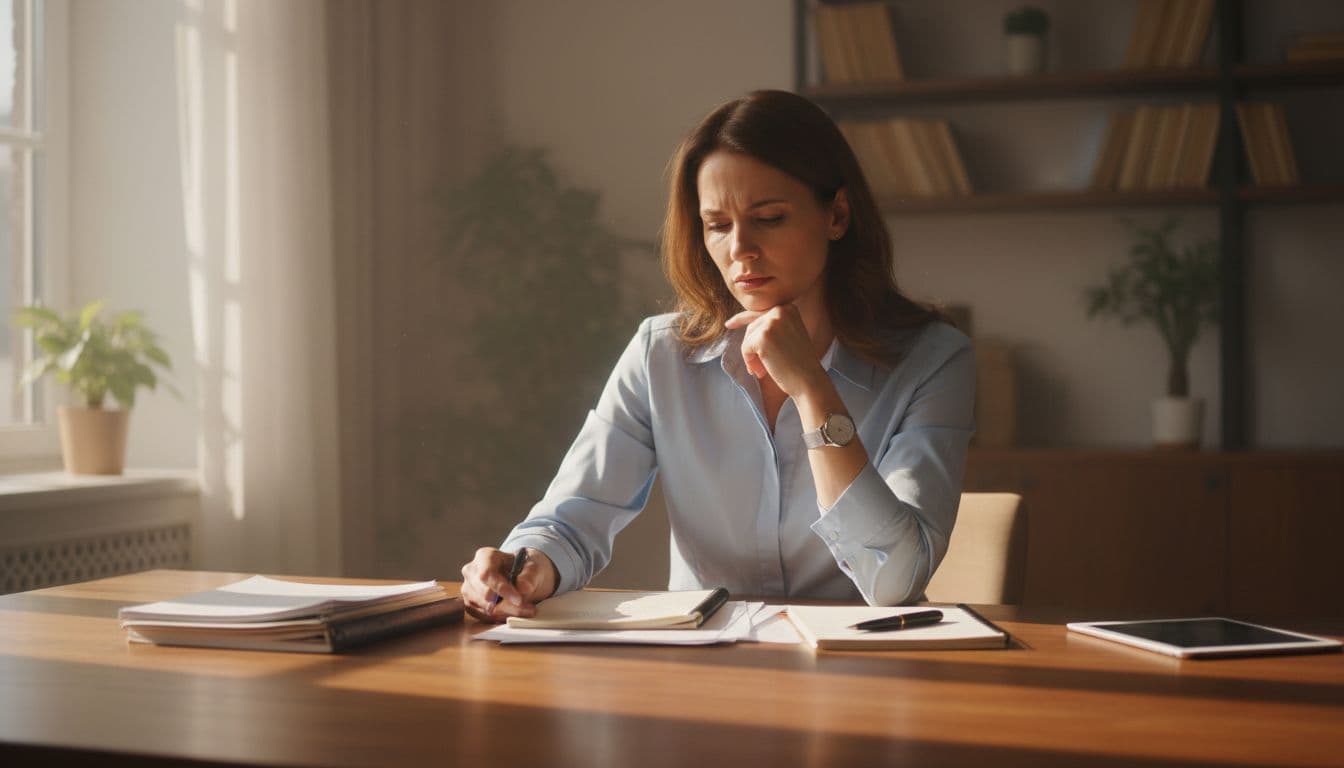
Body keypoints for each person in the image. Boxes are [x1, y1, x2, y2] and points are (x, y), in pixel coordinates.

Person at [460, 89, 974, 620]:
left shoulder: (933, 359)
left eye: (769, 218)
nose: (740, 250)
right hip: (703, 671)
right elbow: (575, 515)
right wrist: (527, 567)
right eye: (718, 226)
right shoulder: (660, 355)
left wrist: (813, 390)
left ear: (837, 215)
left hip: (856, 672)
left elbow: (895, 580)